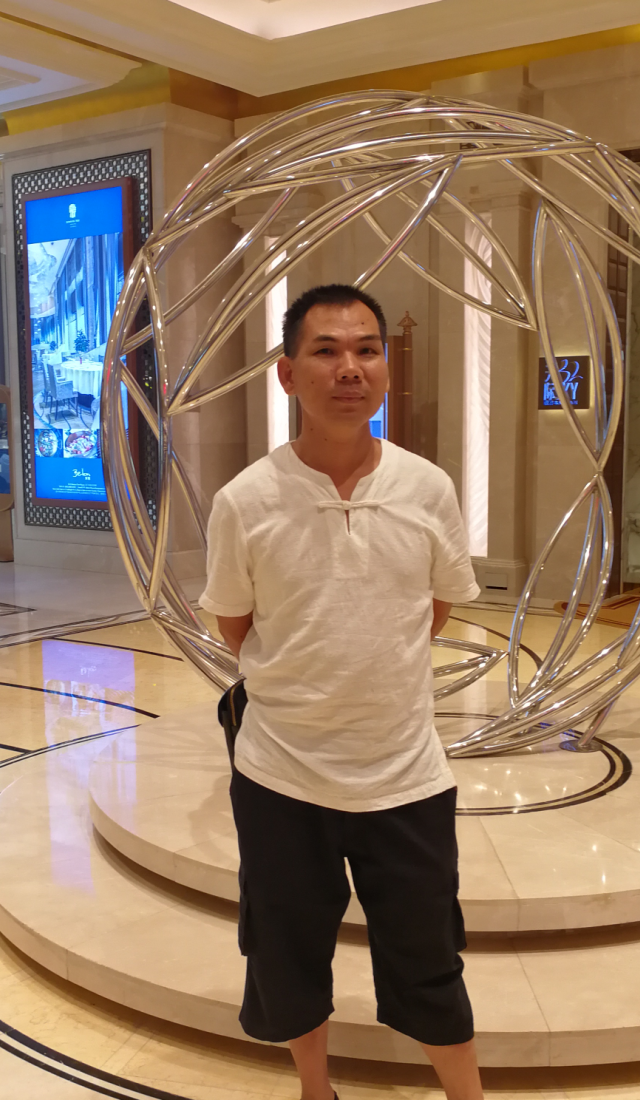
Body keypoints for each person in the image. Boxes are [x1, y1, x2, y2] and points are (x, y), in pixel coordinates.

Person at [199, 284, 484, 1100]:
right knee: (286, 952)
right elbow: (237, 624)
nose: (349, 368)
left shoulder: (427, 488)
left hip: (405, 773)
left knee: (429, 953)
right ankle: (314, 1090)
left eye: (366, 349)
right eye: (326, 351)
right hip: (282, 776)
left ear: (385, 369)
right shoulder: (245, 500)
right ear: (288, 375)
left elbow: (435, 606)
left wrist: (370, 663)